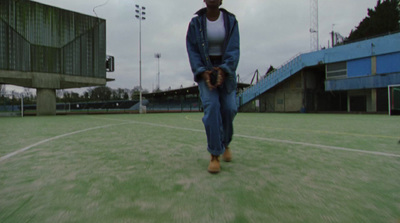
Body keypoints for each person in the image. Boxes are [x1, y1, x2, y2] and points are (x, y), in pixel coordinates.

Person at [186, 0, 240, 173]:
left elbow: (234, 49)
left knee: (230, 108)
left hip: (225, 70)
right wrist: (202, 72)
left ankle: (225, 143)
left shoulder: (231, 21)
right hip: (205, 70)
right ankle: (215, 154)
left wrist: (224, 70)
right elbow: (192, 50)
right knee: (212, 107)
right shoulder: (195, 23)